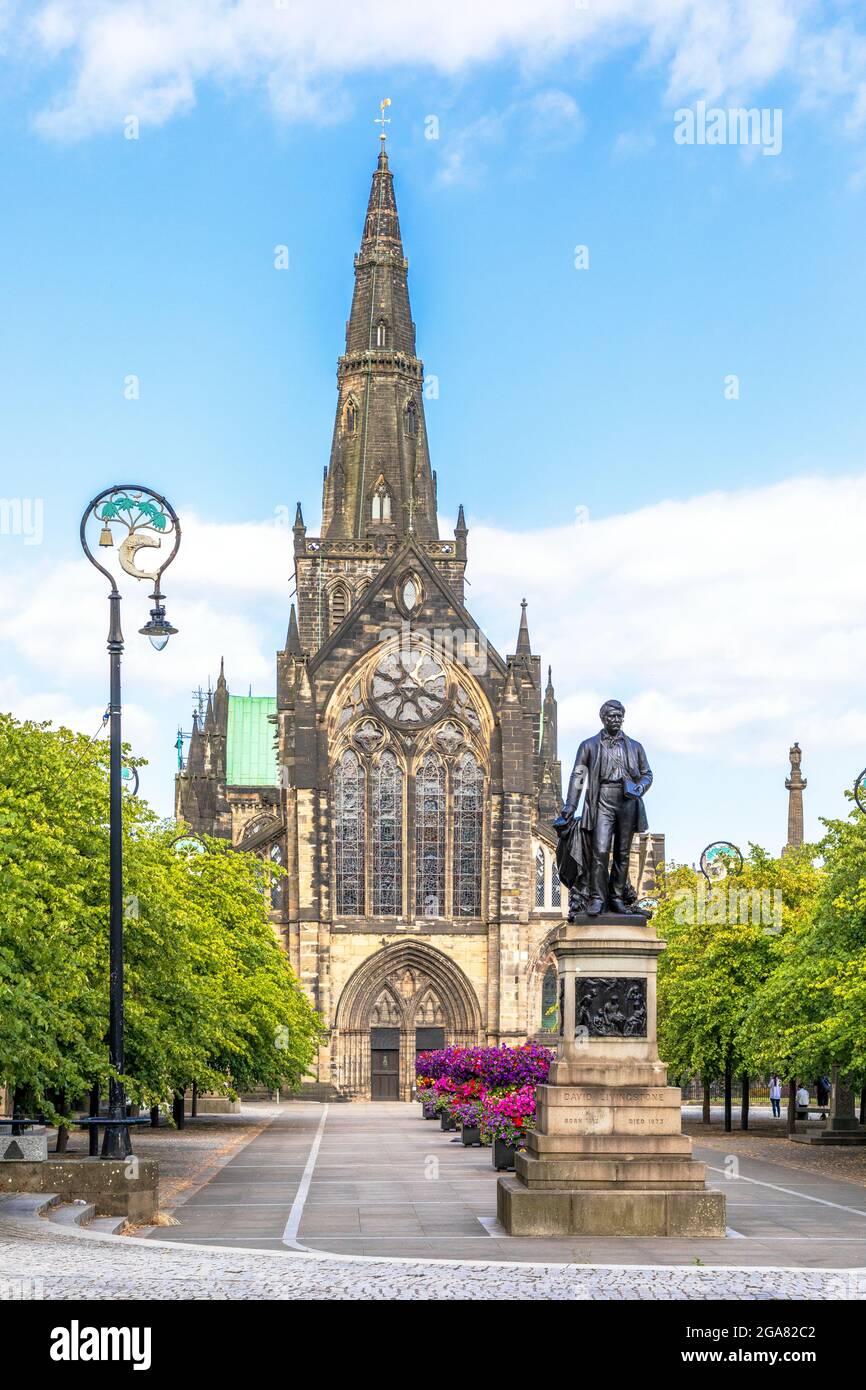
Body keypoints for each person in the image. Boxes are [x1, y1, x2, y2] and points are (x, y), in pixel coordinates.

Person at [556, 699, 653, 917]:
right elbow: (578, 775)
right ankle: (597, 898)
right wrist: (571, 804)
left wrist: (639, 787)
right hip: (602, 800)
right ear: (603, 718)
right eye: (612, 716)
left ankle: (617, 898)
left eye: (619, 716)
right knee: (599, 851)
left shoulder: (635, 747)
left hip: (628, 801)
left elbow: (647, 774)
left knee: (623, 853)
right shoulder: (588, 745)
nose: (616, 720)